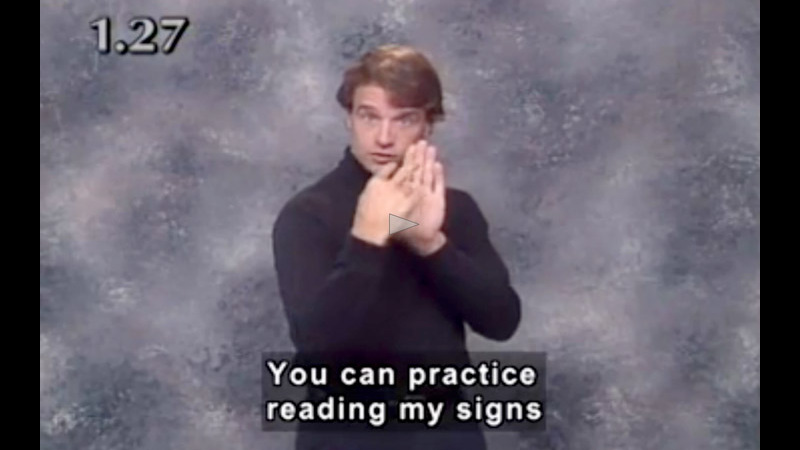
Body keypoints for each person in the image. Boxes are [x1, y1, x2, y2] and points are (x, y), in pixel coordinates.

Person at [271, 44, 522, 450]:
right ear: (349, 118)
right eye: (369, 116)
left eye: (404, 119)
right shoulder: (309, 214)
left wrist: (430, 243)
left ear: (428, 125)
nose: (384, 137)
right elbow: (317, 347)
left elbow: (502, 321)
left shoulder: (455, 210)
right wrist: (367, 239)